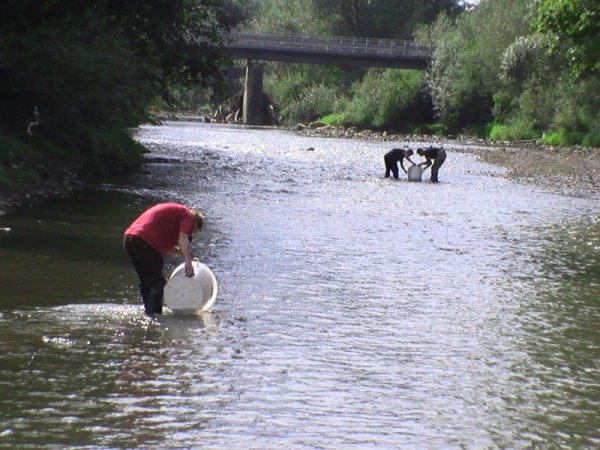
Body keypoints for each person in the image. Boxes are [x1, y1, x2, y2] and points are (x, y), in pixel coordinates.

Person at [123, 203, 204, 316]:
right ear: (196, 223)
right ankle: (155, 318)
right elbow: (183, 237)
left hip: (131, 239)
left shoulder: (174, 219)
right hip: (145, 241)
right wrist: (188, 261)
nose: (191, 233)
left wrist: (183, 253)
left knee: (147, 283)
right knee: (157, 284)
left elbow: (164, 249)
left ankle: (148, 314)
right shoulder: (188, 216)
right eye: (193, 231)